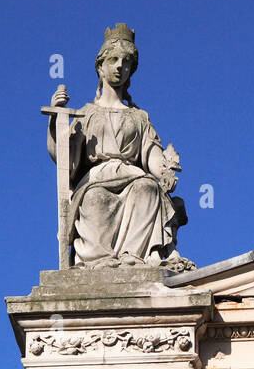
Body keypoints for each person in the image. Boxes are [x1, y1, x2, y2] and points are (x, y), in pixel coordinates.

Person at [47, 24, 192, 269]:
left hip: (132, 175)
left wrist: (164, 171)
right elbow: (65, 158)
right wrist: (55, 121)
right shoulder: (86, 114)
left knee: (148, 188)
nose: (119, 67)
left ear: (130, 71)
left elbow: (151, 153)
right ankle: (98, 261)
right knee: (95, 199)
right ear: (100, 67)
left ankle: (133, 257)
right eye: (113, 60)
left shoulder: (139, 117)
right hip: (96, 180)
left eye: (126, 63)